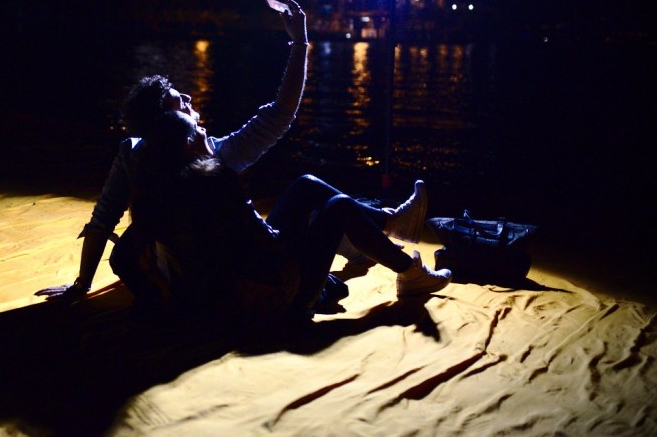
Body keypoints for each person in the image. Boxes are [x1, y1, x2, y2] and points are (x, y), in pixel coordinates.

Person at [34, 0, 428, 303]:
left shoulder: (176, 154)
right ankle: (386, 231)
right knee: (325, 205)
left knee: (314, 196)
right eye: (177, 100)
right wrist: (299, 41)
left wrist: (83, 284)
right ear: (164, 124)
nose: (188, 97)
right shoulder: (201, 159)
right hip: (233, 279)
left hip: (220, 273)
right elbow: (105, 220)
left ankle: (385, 223)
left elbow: (279, 114)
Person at [130, 110, 452, 326]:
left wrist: (165, 305)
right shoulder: (214, 180)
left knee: (306, 185)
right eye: (199, 130)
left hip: (233, 290)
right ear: (188, 146)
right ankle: (409, 272)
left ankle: (391, 223)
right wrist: (310, 232)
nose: (205, 131)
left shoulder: (159, 190)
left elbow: (123, 259)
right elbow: (268, 244)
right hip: (272, 298)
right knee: (338, 207)